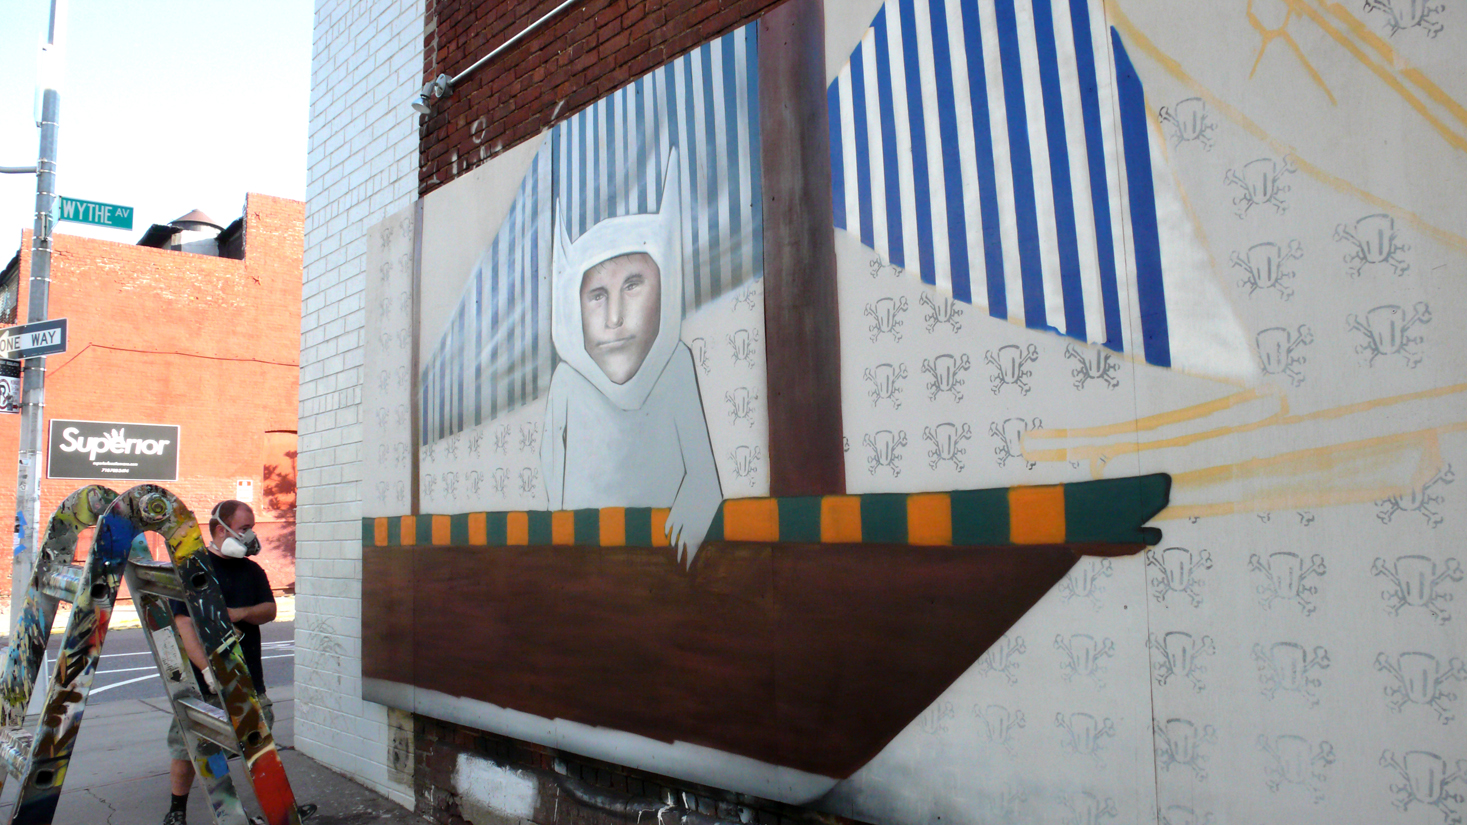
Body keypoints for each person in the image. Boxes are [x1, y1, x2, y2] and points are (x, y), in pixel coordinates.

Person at [541, 147, 723, 568]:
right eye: (597, 295)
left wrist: (696, 505)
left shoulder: (675, 365)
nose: (614, 318)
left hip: (662, 568)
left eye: (633, 285)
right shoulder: (566, 383)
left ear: (666, 285)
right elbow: (552, 477)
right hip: (584, 565)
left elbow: (704, 477)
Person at [163, 500, 312, 825]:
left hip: (248, 680)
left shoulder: (251, 571)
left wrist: (240, 613)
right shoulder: (195, 570)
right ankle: (176, 812)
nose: (250, 536)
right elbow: (183, 624)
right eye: (244, 528)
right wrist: (207, 669)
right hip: (203, 685)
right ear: (221, 529)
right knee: (189, 746)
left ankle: (279, 811)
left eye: (251, 528)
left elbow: (269, 610)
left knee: (257, 749)